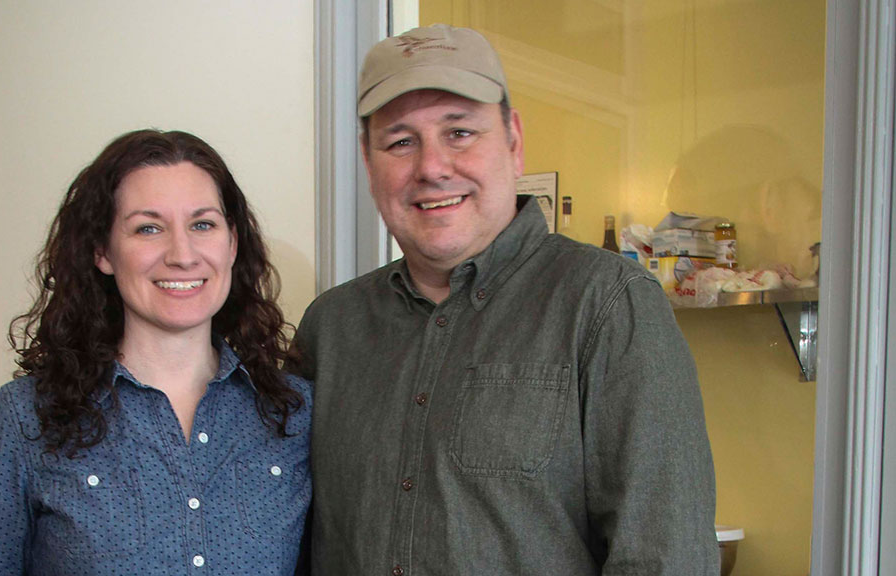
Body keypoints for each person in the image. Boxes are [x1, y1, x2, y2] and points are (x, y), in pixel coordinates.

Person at [293, 24, 719, 575]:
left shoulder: (608, 304)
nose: (431, 167)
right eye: (400, 141)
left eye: (460, 133)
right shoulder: (331, 328)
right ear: (368, 162)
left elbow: (666, 558)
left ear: (513, 141)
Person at [0, 129, 311, 576]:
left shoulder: (294, 414)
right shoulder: (21, 421)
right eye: (148, 228)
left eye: (203, 224)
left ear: (232, 243)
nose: (182, 254)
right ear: (102, 250)